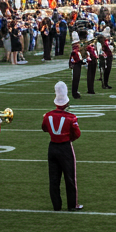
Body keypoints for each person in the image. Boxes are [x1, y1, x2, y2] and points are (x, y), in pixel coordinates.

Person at [42, 81, 83, 211]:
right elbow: (77, 134)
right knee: (69, 177)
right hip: (65, 147)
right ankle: (72, 205)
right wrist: (67, 138)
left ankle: (56, 205)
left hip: (52, 147)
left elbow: (44, 128)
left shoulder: (47, 115)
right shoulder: (71, 117)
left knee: (54, 178)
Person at [68, 32, 85, 100]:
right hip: (76, 65)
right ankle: (74, 93)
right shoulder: (75, 51)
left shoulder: (76, 50)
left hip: (76, 64)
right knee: (75, 79)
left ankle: (75, 92)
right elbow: (77, 59)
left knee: (76, 79)